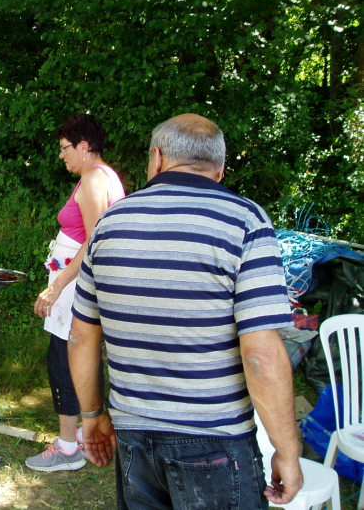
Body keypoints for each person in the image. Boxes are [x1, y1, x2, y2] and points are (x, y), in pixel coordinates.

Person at [68, 113, 303, 508]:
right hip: (217, 442)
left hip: (133, 440)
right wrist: (288, 450)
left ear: (156, 158)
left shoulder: (109, 223)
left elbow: (79, 337)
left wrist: (92, 414)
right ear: (220, 169)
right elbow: (261, 355)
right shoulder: (246, 222)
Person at [26, 114, 125, 472]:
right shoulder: (100, 176)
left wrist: (56, 286)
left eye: (65, 148)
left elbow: (94, 241)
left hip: (77, 283)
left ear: (84, 146)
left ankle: (69, 446)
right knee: (78, 358)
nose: (61, 155)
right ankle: (85, 434)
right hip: (79, 280)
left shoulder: (95, 181)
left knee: (64, 361)